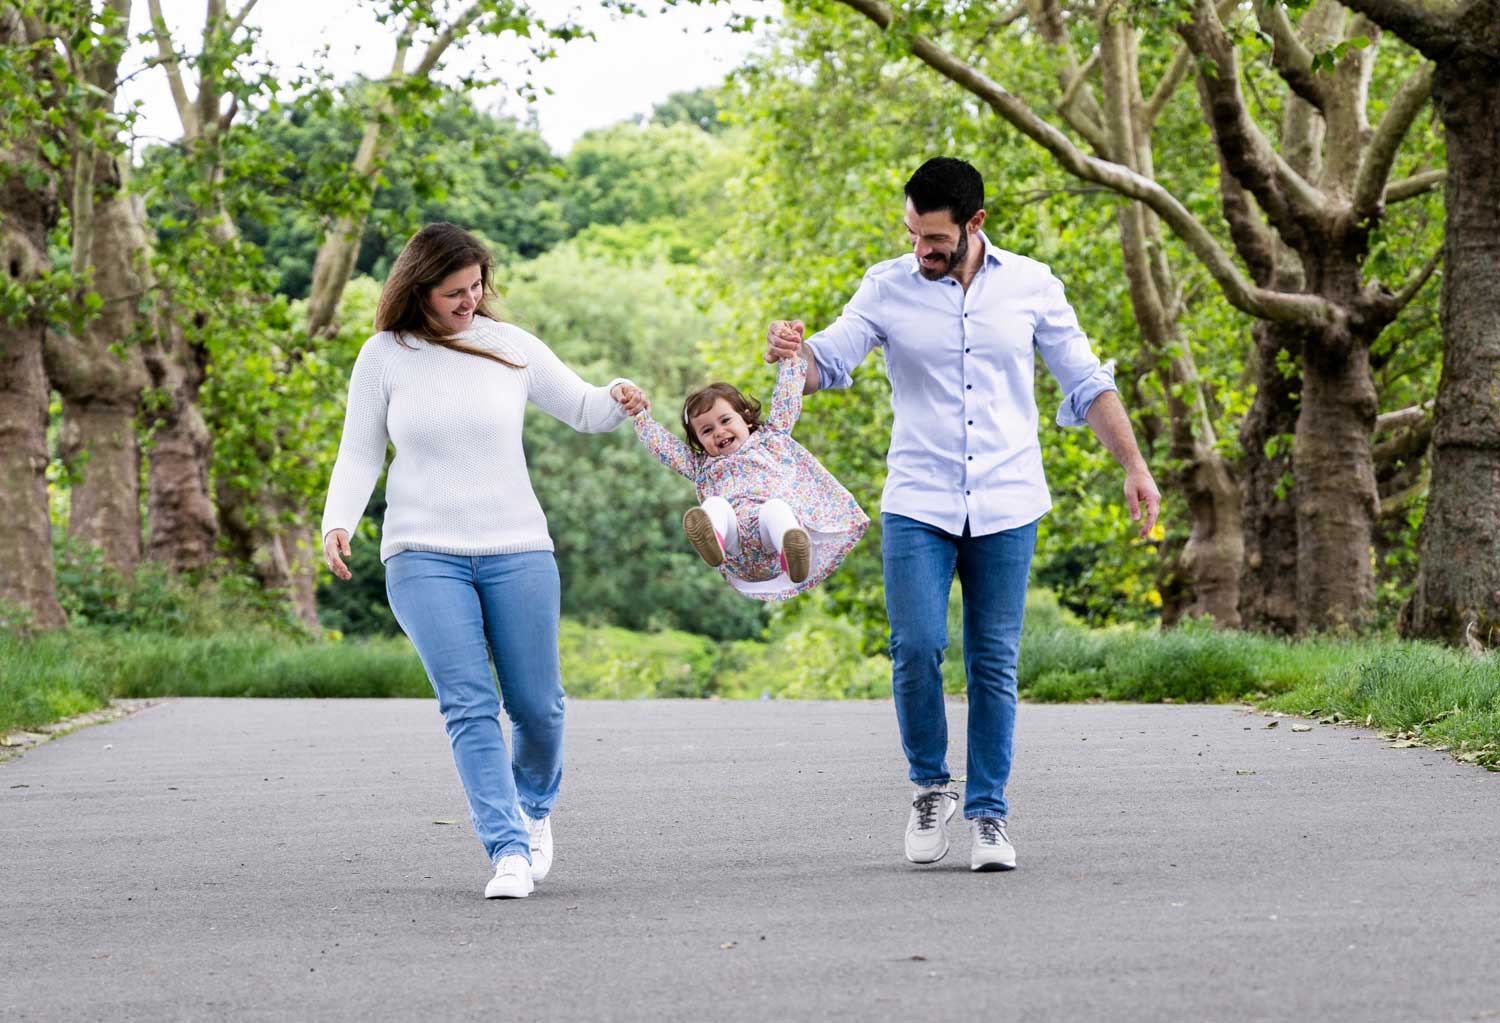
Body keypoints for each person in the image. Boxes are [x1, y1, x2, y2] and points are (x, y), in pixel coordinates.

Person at [764, 157, 1161, 872]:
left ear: (976, 223)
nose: (921, 249)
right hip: (919, 498)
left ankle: (988, 813)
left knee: (993, 660)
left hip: (1009, 499)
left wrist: (1133, 464)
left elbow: (1085, 380)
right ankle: (929, 786)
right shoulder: (887, 285)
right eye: (913, 234)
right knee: (915, 647)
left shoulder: (1032, 285)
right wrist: (795, 356)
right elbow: (831, 359)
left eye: (935, 238)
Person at [320, 223, 647, 900]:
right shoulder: (384, 355)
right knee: (469, 705)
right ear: (419, 290)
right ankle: (507, 850)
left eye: (476, 286)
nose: (470, 300)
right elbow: (359, 451)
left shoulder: (509, 346)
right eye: (454, 292)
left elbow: (583, 407)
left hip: (518, 547)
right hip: (421, 552)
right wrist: (338, 521)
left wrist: (618, 395)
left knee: (538, 707)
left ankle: (533, 808)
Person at [631, 353, 869, 601]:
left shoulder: (771, 440)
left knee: (776, 508)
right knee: (715, 505)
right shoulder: (702, 466)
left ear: (745, 418)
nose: (719, 432)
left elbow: (786, 399)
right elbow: (666, 448)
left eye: (725, 420)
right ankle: (712, 539)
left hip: (769, 544)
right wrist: (640, 418)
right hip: (735, 548)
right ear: (699, 442)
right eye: (707, 431)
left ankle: (792, 551)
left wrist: (789, 358)